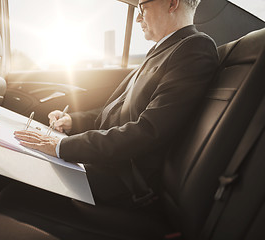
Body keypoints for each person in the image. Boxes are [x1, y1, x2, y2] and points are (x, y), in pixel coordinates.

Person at [14, 0, 219, 207]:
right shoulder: (162, 51)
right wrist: (71, 122)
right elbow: (115, 114)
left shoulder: (193, 49)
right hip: (111, 165)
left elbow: (148, 131)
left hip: (124, 178)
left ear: (172, 3)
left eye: (142, 7)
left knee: (17, 176)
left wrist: (61, 147)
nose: (138, 17)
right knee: (21, 165)